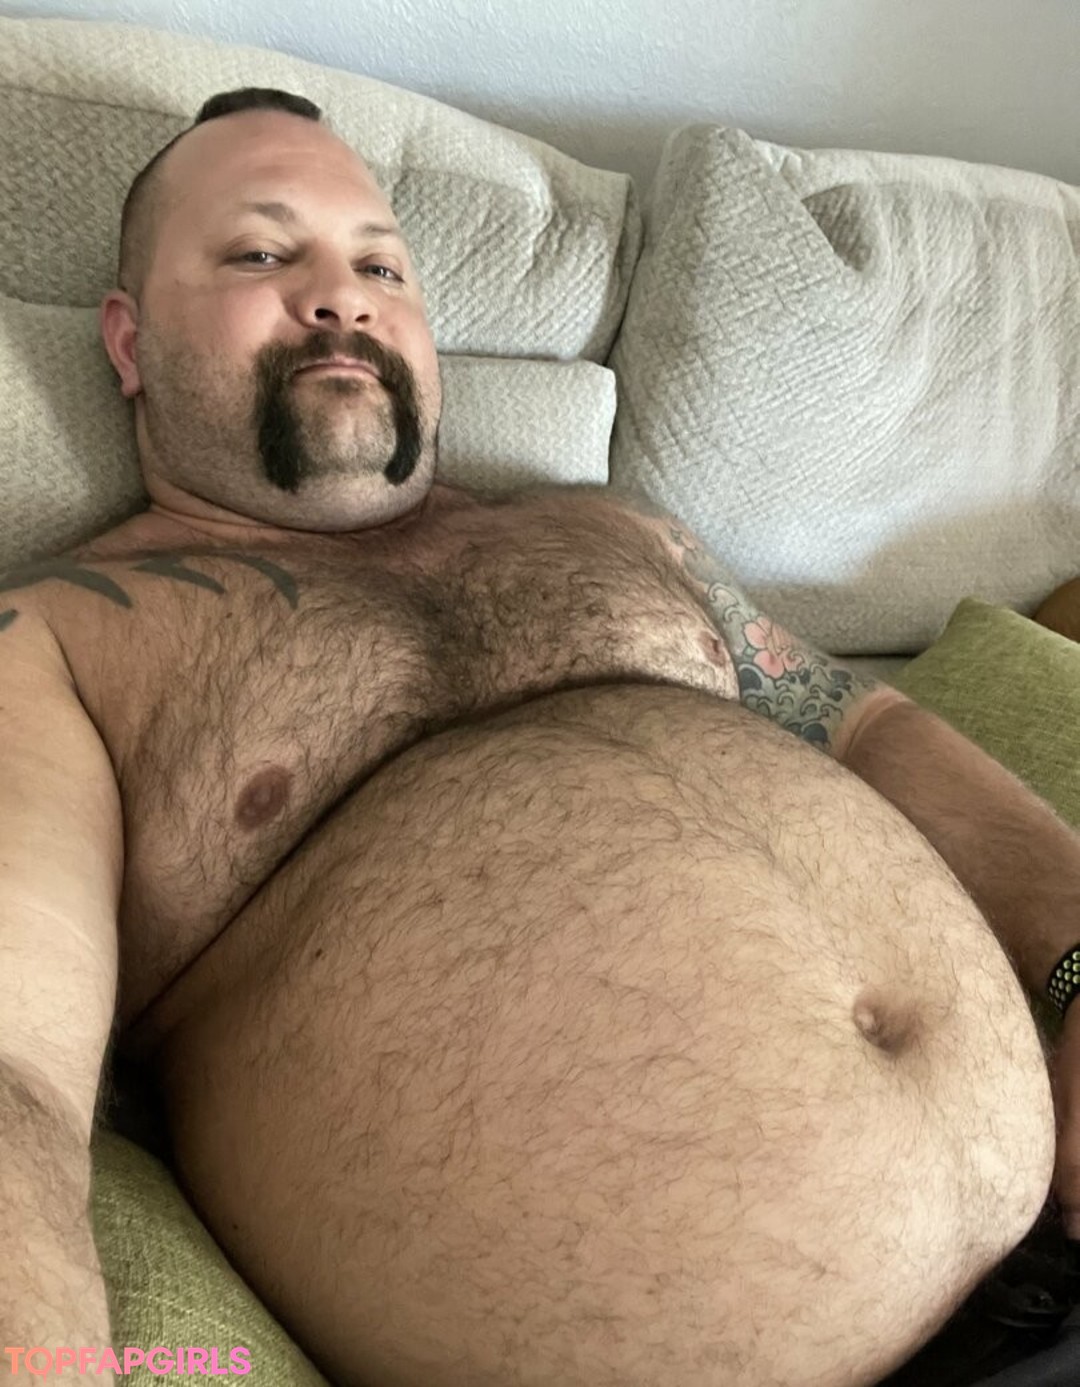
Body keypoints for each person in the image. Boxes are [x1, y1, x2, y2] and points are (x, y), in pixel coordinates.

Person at [3, 86, 1080, 1387]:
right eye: (261, 252)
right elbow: (19, 1080)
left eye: (380, 265)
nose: (340, 297)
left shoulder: (609, 532)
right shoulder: (60, 640)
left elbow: (866, 725)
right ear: (128, 341)